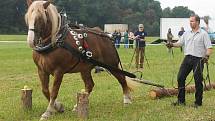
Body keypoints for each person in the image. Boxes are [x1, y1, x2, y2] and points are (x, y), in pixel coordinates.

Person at [166, 15, 213, 108]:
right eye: (190, 21)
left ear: (198, 22)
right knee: (180, 77)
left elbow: (209, 48)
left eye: (192, 21)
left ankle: (198, 103)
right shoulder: (186, 33)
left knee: (198, 80)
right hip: (187, 58)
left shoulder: (204, 34)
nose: (190, 23)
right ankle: (181, 101)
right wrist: (171, 44)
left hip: (199, 59)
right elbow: (180, 43)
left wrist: (206, 56)